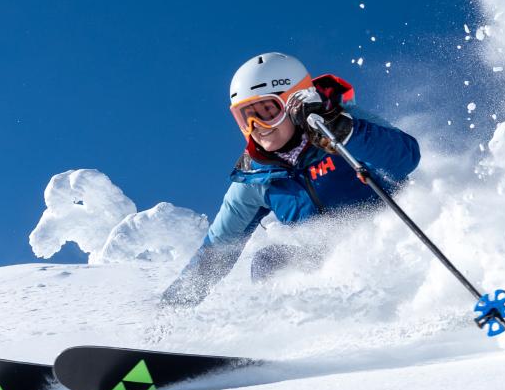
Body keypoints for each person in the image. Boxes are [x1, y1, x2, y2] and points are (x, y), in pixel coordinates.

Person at [161, 52, 421, 307]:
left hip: (395, 241)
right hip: (334, 270)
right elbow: (217, 250)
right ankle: (296, 334)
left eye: (265, 111)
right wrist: (170, 309)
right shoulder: (256, 176)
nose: (256, 126)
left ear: (295, 102)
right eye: (245, 117)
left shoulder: (344, 123)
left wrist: (343, 133)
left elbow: (406, 158)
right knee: (270, 262)